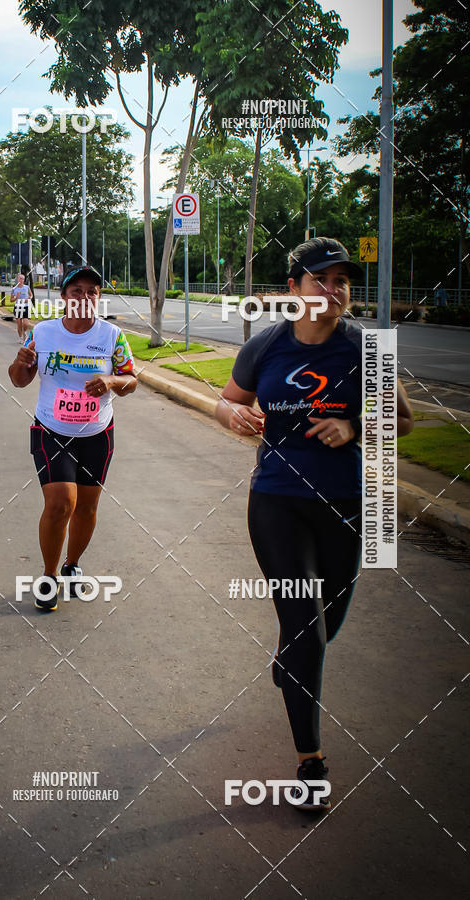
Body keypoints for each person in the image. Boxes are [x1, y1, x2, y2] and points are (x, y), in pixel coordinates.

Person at [215, 237, 414, 810]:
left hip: (347, 504)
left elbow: (400, 420)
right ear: (293, 289)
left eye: (342, 281)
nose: (333, 290)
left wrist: (352, 425)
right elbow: (226, 400)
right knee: (305, 627)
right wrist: (237, 416)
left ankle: (291, 666)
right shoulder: (268, 346)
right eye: (321, 280)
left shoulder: (365, 348)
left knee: (326, 628)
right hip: (276, 502)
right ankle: (310, 761)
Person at [8, 264, 137, 612]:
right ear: (64, 296)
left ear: (99, 298)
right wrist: (21, 363)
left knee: (87, 507)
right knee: (61, 502)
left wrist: (110, 382)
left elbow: (131, 381)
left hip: (97, 433)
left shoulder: (112, 336)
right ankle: (49, 576)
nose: (84, 296)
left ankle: (72, 564)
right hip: (51, 430)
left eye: (92, 291)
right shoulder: (43, 333)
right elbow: (19, 380)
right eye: (76, 290)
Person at [11, 273, 33, 343]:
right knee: (19, 324)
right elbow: (11, 300)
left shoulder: (26, 287)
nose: (21, 280)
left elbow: (31, 295)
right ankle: (20, 337)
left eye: (23, 279)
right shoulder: (14, 289)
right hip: (18, 307)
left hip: (26, 306)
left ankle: (25, 332)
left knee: (26, 324)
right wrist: (16, 297)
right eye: (20, 278)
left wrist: (29, 298)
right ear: (18, 279)